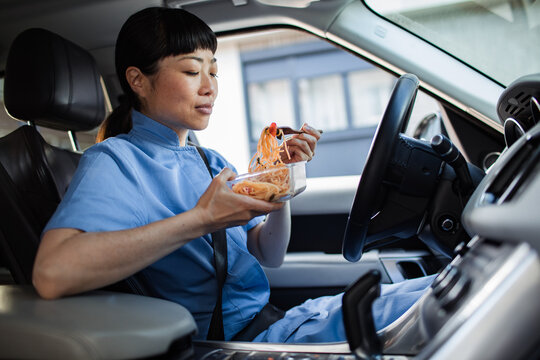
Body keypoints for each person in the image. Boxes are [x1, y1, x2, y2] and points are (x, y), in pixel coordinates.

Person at [33, 7, 434, 343]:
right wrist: (201, 219)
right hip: (235, 344)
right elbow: (53, 274)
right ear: (138, 80)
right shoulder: (115, 160)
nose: (210, 88)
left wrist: (282, 179)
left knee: (437, 289)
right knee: (442, 307)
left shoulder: (209, 160)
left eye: (214, 71)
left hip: (277, 323)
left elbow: (268, 255)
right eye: (192, 71)